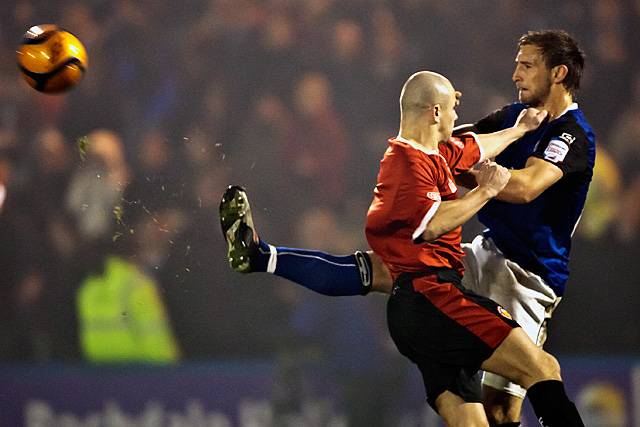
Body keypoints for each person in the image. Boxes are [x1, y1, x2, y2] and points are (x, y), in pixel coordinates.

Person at [221, 30, 595, 426]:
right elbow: (453, 150)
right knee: (398, 270)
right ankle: (261, 256)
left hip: (525, 275)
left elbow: (523, 187)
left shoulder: (572, 135)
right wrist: (471, 165)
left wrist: (483, 171)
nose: (516, 74)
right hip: (481, 256)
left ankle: (262, 257)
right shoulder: (507, 116)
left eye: (527, 65)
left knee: (499, 409)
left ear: (558, 73)